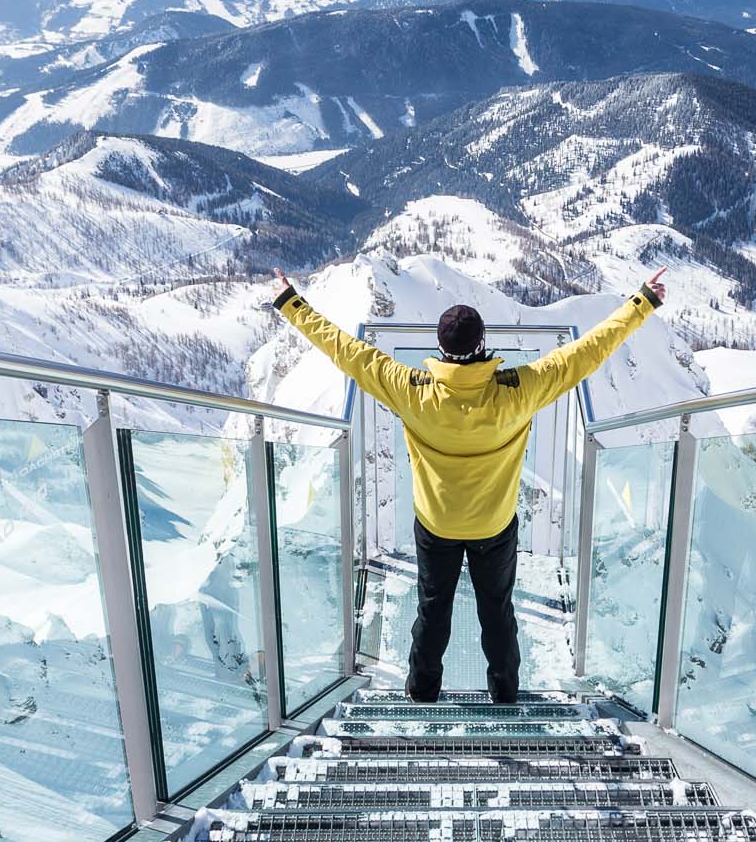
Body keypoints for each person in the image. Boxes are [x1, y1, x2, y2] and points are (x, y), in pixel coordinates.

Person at [269, 268, 670, 702]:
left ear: (440, 349)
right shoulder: (519, 390)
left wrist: (293, 304)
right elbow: (585, 353)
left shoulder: (411, 390)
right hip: (494, 526)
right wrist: (641, 302)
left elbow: (349, 353)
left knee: (432, 609)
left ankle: (422, 692)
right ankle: (504, 693)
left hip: (436, 525)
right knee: (497, 612)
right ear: (483, 345)